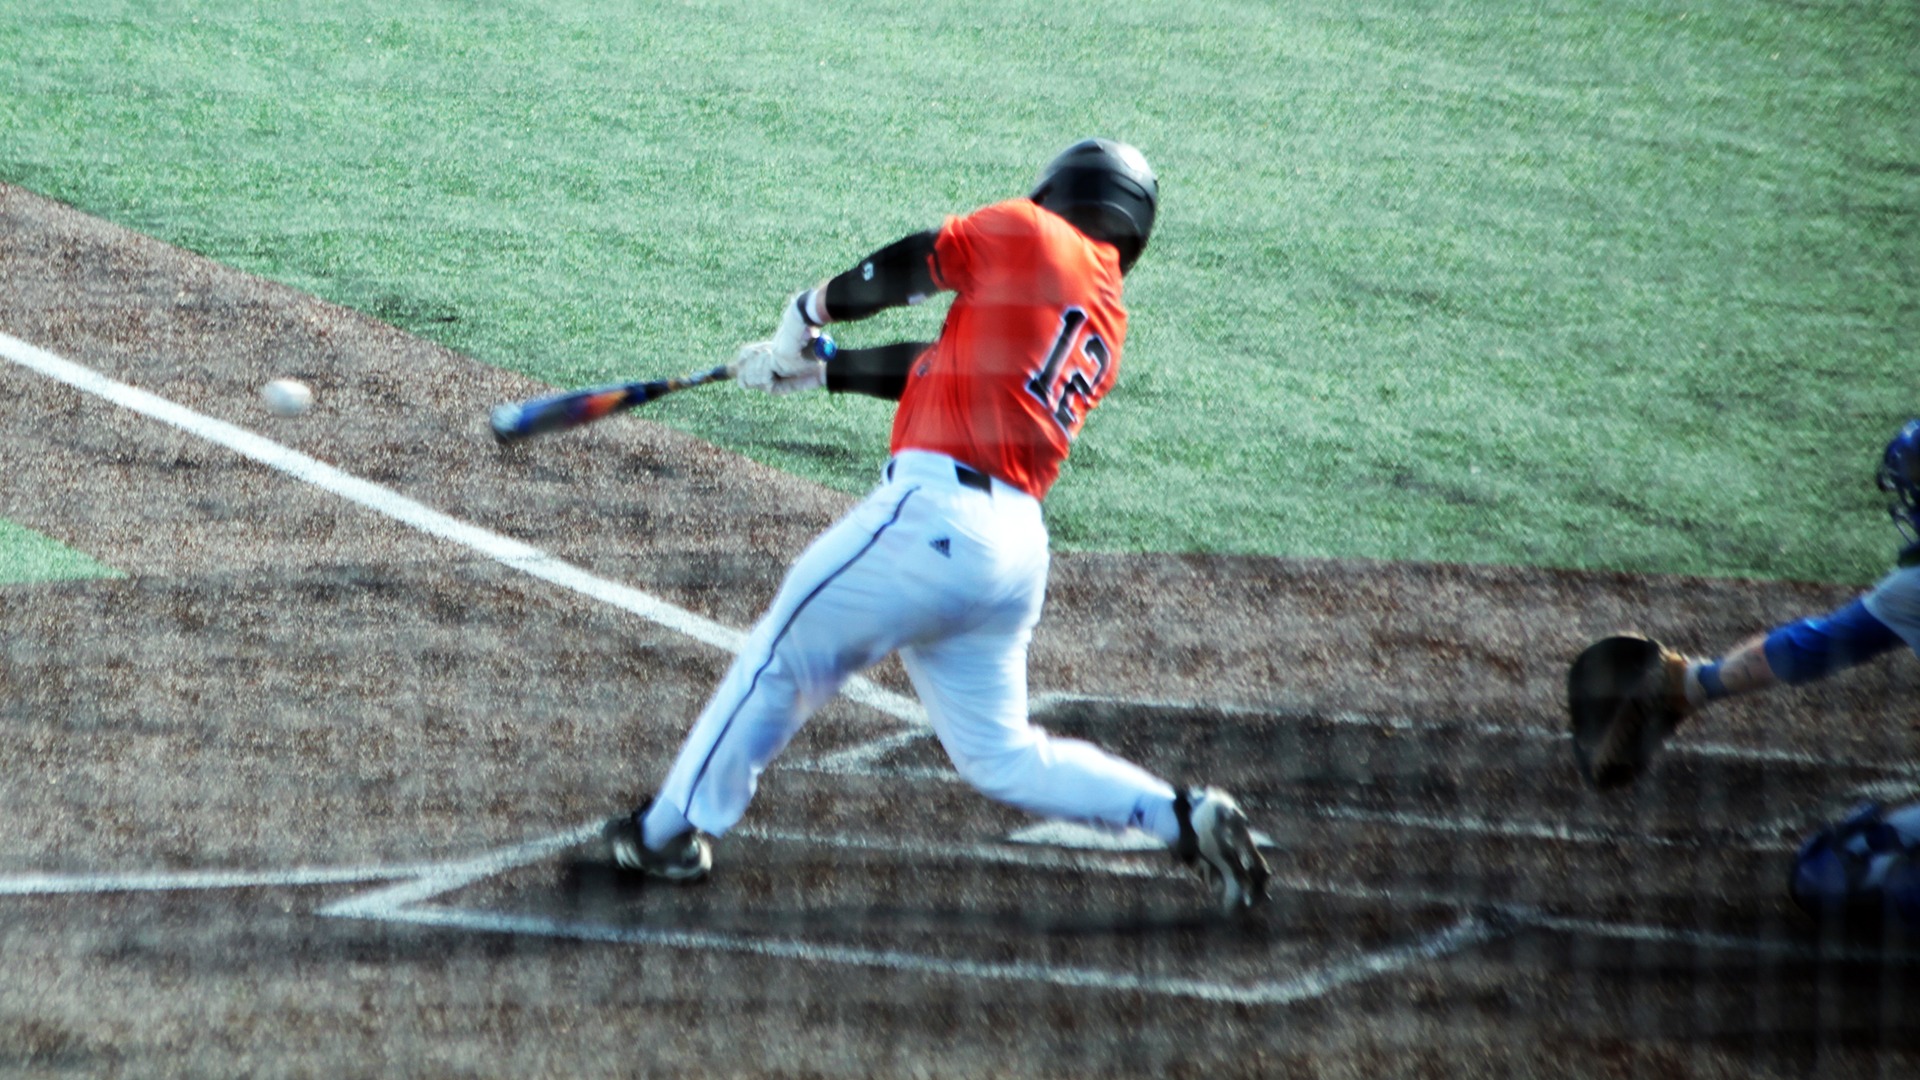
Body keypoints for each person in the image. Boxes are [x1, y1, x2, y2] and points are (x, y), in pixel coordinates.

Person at [599, 139, 1270, 914]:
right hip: (1012, 556)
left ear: (1061, 191)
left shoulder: (1032, 232)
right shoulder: (1103, 319)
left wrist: (806, 310)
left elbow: (919, 262)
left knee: (781, 657)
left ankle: (663, 836)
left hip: (933, 524)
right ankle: (1179, 816)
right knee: (1000, 752)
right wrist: (822, 367)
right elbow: (947, 364)